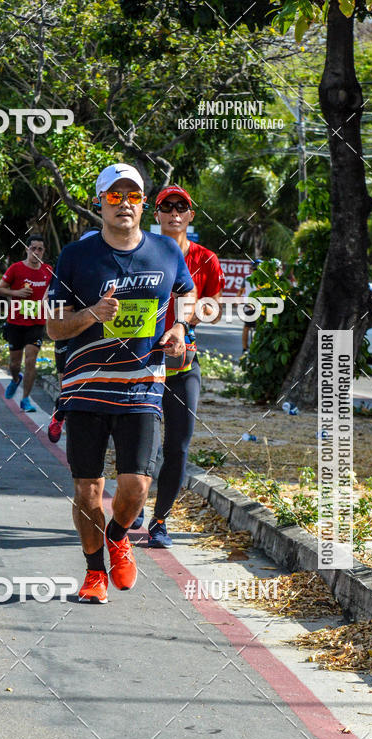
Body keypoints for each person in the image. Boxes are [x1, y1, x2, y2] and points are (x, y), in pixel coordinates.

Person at [47, 163, 195, 604]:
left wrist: (180, 328)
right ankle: (95, 573)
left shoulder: (167, 252)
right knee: (87, 490)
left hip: (141, 385)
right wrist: (92, 314)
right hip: (86, 388)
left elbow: (185, 294)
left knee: (135, 488)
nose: (125, 204)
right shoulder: (76, 256)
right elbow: (54, 327)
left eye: (132, 196)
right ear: (100, 202)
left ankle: (118, 536)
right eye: (115, 196)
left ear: (143, 203)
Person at [132, 185, 225, 547]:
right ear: (155, 214)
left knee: (178, 447)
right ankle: (133, 504)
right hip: (143, 365)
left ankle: (159, 521)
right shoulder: (142, 254)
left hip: (184, 365)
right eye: (166, 207)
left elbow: (215, 305)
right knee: (143, 445)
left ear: (190, 215)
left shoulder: (205, 258)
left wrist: (190, 319)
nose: (174, 213)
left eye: (180, 207)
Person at [48, 228, 100, 443]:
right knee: (67, 385)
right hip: (67, 336)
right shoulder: (70, 267)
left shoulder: (107, 271)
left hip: (97, 339)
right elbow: (52, 306)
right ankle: (60, 414)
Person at [0, 234, 53, 412]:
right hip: (15, 321)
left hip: (36, 323)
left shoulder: (48, 271)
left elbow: (52, 291)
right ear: (27, 249)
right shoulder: (16, 268)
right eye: (33, 248)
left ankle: (26, 399)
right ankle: (15, 379)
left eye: (40, 249)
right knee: (14, 363)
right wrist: (17, 293)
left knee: (30, 360)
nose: (36, 252)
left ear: (43, 252)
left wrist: (47, 299)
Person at [237, 258, 261, 353]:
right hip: (260, 306)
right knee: (259, 328)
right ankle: (256, 348)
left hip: (248, 306)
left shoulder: (246, 278)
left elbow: (240, 292)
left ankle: (244, 348)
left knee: (246, 327)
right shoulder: (263, 279)